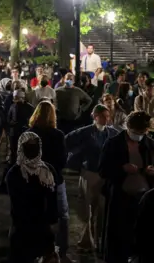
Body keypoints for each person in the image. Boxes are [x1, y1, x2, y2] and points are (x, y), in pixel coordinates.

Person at [99, 111, 154, 263]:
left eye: (142, 132)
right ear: (127, 127)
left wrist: (153, 171)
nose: (138, 135)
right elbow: (103, 169)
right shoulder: (113, 143)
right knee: (117, 235)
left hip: (143, 197)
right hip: (120, 196)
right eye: (135, 132)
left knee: (140, 234)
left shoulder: (151, 145)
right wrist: (121, 168)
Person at [65, 104, 118, 251]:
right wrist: (78, 159)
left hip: (105, 175)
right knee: (88, 208)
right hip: (90, 173)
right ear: (95, 116)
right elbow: (67, 142)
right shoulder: (85, 132)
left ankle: (93, 240)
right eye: (103, 116)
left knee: (100, 209)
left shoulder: (112, 133)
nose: (107, 119)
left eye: (108, 116)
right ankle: (89, 240)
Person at [5, 131, 58, 263]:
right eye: (28, 145)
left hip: (43, 229)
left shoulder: (48, 170)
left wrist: (52, 221)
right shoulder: (15, 173)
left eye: (35, 145)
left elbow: (53, 199)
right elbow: (17, 202)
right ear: (21, 147)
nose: (32, 148)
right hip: (22, 229)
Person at [28, 101, 70, 262]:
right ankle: (61, 250)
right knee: (62, 215)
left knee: (36, 214)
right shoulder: (58, 135)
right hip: (55, 180)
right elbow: (62, 160)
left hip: (33, 180)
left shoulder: (30, 134)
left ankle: (36, 248)